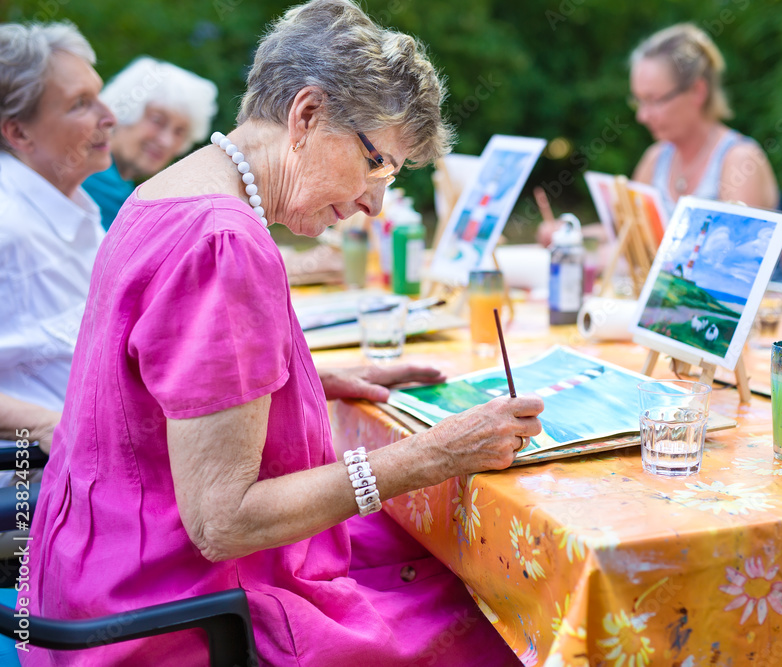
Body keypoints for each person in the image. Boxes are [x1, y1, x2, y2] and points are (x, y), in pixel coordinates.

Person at [23, 1, 543, 665]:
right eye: (379, 165)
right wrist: (430, 456)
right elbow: (223, 520)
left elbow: (151, 393)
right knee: (502, 611)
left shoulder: (166, 192)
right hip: (170, 619)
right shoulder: (224, 242)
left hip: (92, 577)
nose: (373, 203)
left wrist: (295, 378)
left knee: (421, 550)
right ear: (307, 115)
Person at [0, 22, 115, 455]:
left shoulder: (70, 201)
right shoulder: (7, 222)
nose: (110, 116)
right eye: (81, 104)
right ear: (19, 133)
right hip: (41, 485)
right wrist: (50, 426)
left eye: (98, 93)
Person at [630, 23, 778, 216]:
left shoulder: (740, 161)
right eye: (638, 101)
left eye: (654, 101)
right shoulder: (655, 159)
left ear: (698, 91)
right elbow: (621, 234)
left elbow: (734, 246)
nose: (642, 116)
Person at [83, 56, 217, 229]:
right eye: (157, 120)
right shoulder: (89, 176)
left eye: (179, 131)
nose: (166, 141)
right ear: (124, 112)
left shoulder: (125, 188)